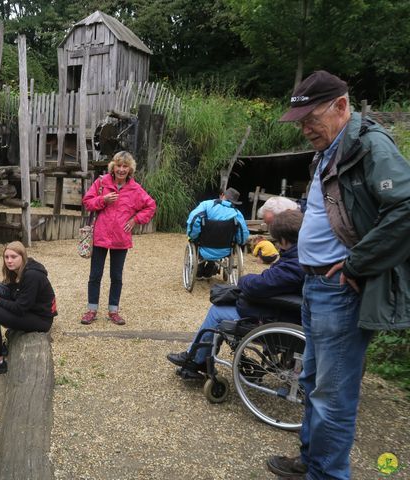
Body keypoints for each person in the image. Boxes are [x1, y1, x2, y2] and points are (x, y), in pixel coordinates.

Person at [267, 70, 410, 480]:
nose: (305, 129)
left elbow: (405, 206)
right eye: (301, 122)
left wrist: (358, 262)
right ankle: (312, 461)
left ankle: (327, 474)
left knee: (332, 394)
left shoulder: (369, 145)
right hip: (315, 284)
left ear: (342, 106)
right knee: (312, 380)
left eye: (312, 118)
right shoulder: (330, 149)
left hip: (340, 290)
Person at [167, 210, 305, 373]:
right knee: (227, 297)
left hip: (279, 316)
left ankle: (196, 360)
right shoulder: (305, 256)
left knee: (217, 311)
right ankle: (197, 356)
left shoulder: (293, 266)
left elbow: (259, 285)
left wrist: (243, 280)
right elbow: (241, 235)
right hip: (284, 309)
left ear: (283, 239)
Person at [80, 151, 156, 325]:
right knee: (95, 275)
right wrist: (103, 199)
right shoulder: (101, 182)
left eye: (125, 166)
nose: (121, 169)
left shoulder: (135, 189)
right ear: (113, 167)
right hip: (100, 236)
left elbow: (150, 206)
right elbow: (87, 202)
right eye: (119, 165)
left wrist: (135, 219)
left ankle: (113, 310)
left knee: (116, 276)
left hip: (121, 239)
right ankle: (91, 309)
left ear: (130, 169)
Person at [0, 241, 57, 378]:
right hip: (27, 310)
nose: (9, 261)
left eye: (13, 257)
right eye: (6, 257)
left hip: (40, 319)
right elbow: (13, 293)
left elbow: (19, 308)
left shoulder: (32, 275)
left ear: (22, 257)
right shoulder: (16, 271)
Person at [186, 187, 249, 278]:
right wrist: (238, 242)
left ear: (222, 195)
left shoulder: (206, 205)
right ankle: (211, 266)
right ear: (234, 202)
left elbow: (194, 220)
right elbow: (243, 235)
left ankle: (200, 266)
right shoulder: (237, 213)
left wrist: (193, 236)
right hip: (225, 250)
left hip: (203, 246)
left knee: (194, 238)